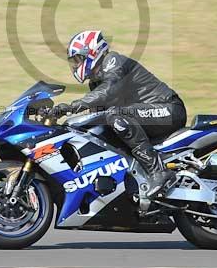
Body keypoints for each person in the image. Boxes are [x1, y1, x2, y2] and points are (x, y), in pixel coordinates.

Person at [51, 30, 187, 198]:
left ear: (92, 52)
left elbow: (108, 91)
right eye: (74, 62)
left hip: (168, 109)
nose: (76, 65)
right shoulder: (96, 83)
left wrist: (72, 106)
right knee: (103, 128)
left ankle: (158, 171)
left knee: (116, 116)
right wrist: (66, 124)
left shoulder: (113, 61)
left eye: (79, 59)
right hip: (142, 116)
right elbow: (97, 116)